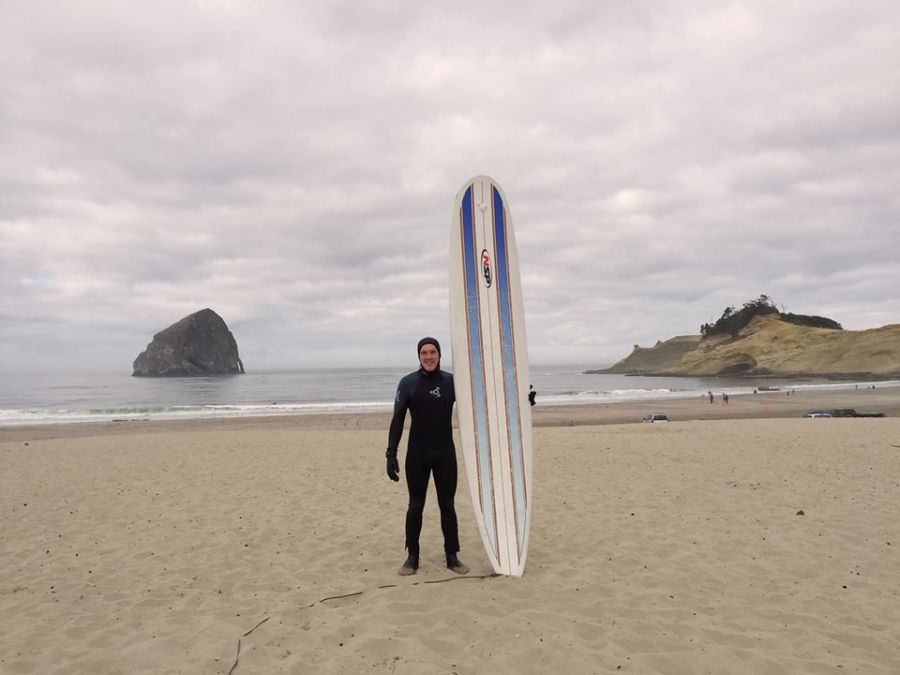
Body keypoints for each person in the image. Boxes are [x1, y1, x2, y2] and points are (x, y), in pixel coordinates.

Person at [385, 337, 469, 576]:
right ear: (419, 356)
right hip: (417, 454)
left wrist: (524, 400)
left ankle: (452, 556)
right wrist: (391, 453)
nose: (429, 357)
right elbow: (397, 420)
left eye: (433, 352)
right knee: (415, 505)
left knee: (448, 505)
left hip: (445, 453)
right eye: (424, 353)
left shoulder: (452, 382)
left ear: (439, 355)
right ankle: (412, 556)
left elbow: (482, 403)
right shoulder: (408, 383)